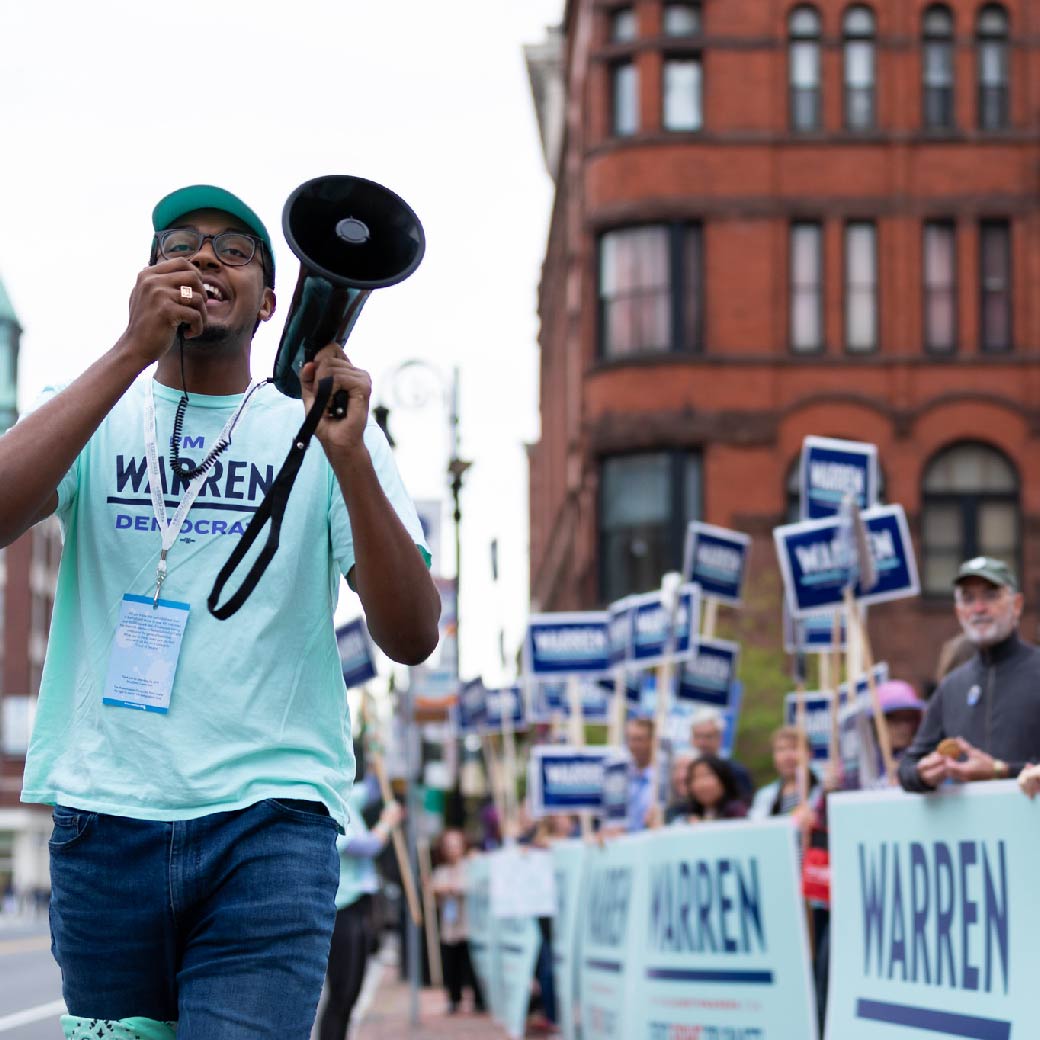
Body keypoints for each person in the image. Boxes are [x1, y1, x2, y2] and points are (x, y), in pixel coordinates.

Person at [2, 185, 440, 1039]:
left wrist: (347, 458)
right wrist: (132, 351)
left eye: (233, 251)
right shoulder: (93, 404)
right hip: (104, 814)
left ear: (273, 302)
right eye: (179, 245)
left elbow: (412, 633)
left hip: (268, 823)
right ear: (144, 279)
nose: (203, 258)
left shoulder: (331, 430)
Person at [899, 557, 1040, 793]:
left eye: (991, 595)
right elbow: (907, 767)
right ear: (958, 612)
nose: (979, 608)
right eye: (968, 598)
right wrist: (922, 774)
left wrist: (1001, 770)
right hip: (973, 830)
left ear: (1017, 605)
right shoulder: (952, 686)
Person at [318, 777, 404, 1040]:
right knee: (342, 991)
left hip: (359, 906)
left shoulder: (346, 797)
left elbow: (375, 785)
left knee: (353, 989)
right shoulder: (327, 806)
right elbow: (365, 847)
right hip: (341, 908)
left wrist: (381, 743)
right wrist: (387, 823)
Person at [431, 829, 484, 1015]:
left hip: (469, 925)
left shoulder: (471, 866)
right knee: (451, 965)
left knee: (473, 964)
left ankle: (479, 1000)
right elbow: (435, 892)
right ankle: (454, 998)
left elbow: (476, 887)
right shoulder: (441, 871)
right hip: (450, 927)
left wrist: (457, 888)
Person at [748, 726, 819, 823]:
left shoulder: (824, 789)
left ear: (809, 754)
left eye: (794, 748)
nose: (787, 756)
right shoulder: (764, 796)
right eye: (781, 750)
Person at [689, 707, 754, 804]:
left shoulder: (736, 771)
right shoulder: (685, 772)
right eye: (698, 736)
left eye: (708, 736)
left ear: (720, 738)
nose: (702, 743)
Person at [678, 756, 748, 823]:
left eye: (707, 775)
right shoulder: (685, 813)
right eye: (696, 777)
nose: (702, 784)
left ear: (723, 779)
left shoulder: (736, 811)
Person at [625, 716, 656, 832]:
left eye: (638, 739)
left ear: (652, 741)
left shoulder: (663, 778)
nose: (632, 745)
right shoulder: (622, 775)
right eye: (630, 739)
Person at [662, 748, 697, 823]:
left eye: (688, 769)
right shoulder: (670, 812)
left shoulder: (712, 811)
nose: (681, 776)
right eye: (677, 769)